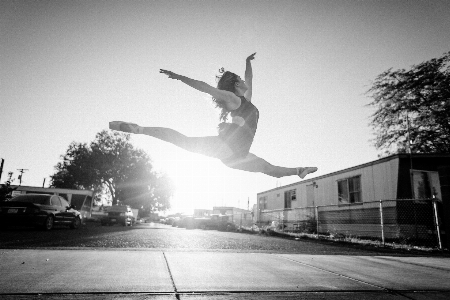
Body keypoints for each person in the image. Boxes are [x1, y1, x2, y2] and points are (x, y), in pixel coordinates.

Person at [110, 53, 317, 179]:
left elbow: (249, 78)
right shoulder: (232, 98)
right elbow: (205, 87)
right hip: (228, 148)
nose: (245, 83)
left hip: (239, 155)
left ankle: (299, 170)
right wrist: (179, 77)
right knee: (184, 141)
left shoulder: (248, 99)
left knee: (267, 168)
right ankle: (140, 129)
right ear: (235, 84)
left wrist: (247, 61)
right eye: (241, 81)